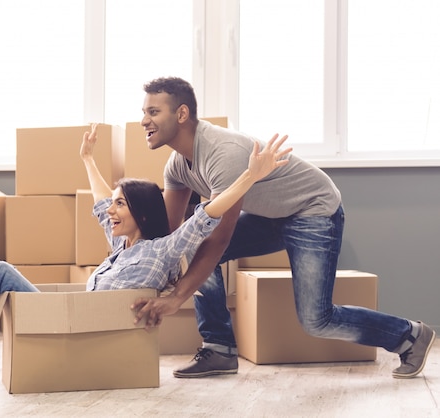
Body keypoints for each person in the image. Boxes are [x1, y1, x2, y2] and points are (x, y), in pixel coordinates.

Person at [0, 123, 291, 334]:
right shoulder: (121, 244)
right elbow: (96, 202)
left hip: (83, 329)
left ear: (142, 214)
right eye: (113, 204)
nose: (109, 211)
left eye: (120, 204)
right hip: (77, 319)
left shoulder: (163, 249)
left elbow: (208, 213)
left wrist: (249, 176)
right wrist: (88, 159)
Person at [132, 76, 435, 380]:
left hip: (312, 210)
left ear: (181, 114)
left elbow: (218, 240)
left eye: (153, 112)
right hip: (271, 214)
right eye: (144, 112)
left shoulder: (222, 154)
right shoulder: (176, 165)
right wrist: (132, 260)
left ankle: (410, 336)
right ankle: (219, 348)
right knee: (195, 243)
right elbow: (171, 235)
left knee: (317, 320)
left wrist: (176, 298)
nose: (144, 120)